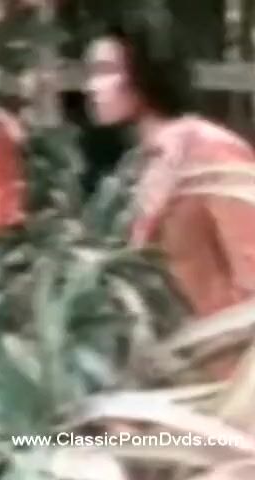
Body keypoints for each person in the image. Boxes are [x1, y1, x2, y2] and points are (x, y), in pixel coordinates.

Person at [84, 5, 255, 380]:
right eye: (90, 73)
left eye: (106, 71)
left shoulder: (209, 148)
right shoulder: (136, 164)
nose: (92, 87)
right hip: (166, 372)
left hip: (224, 376)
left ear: (144, 71)